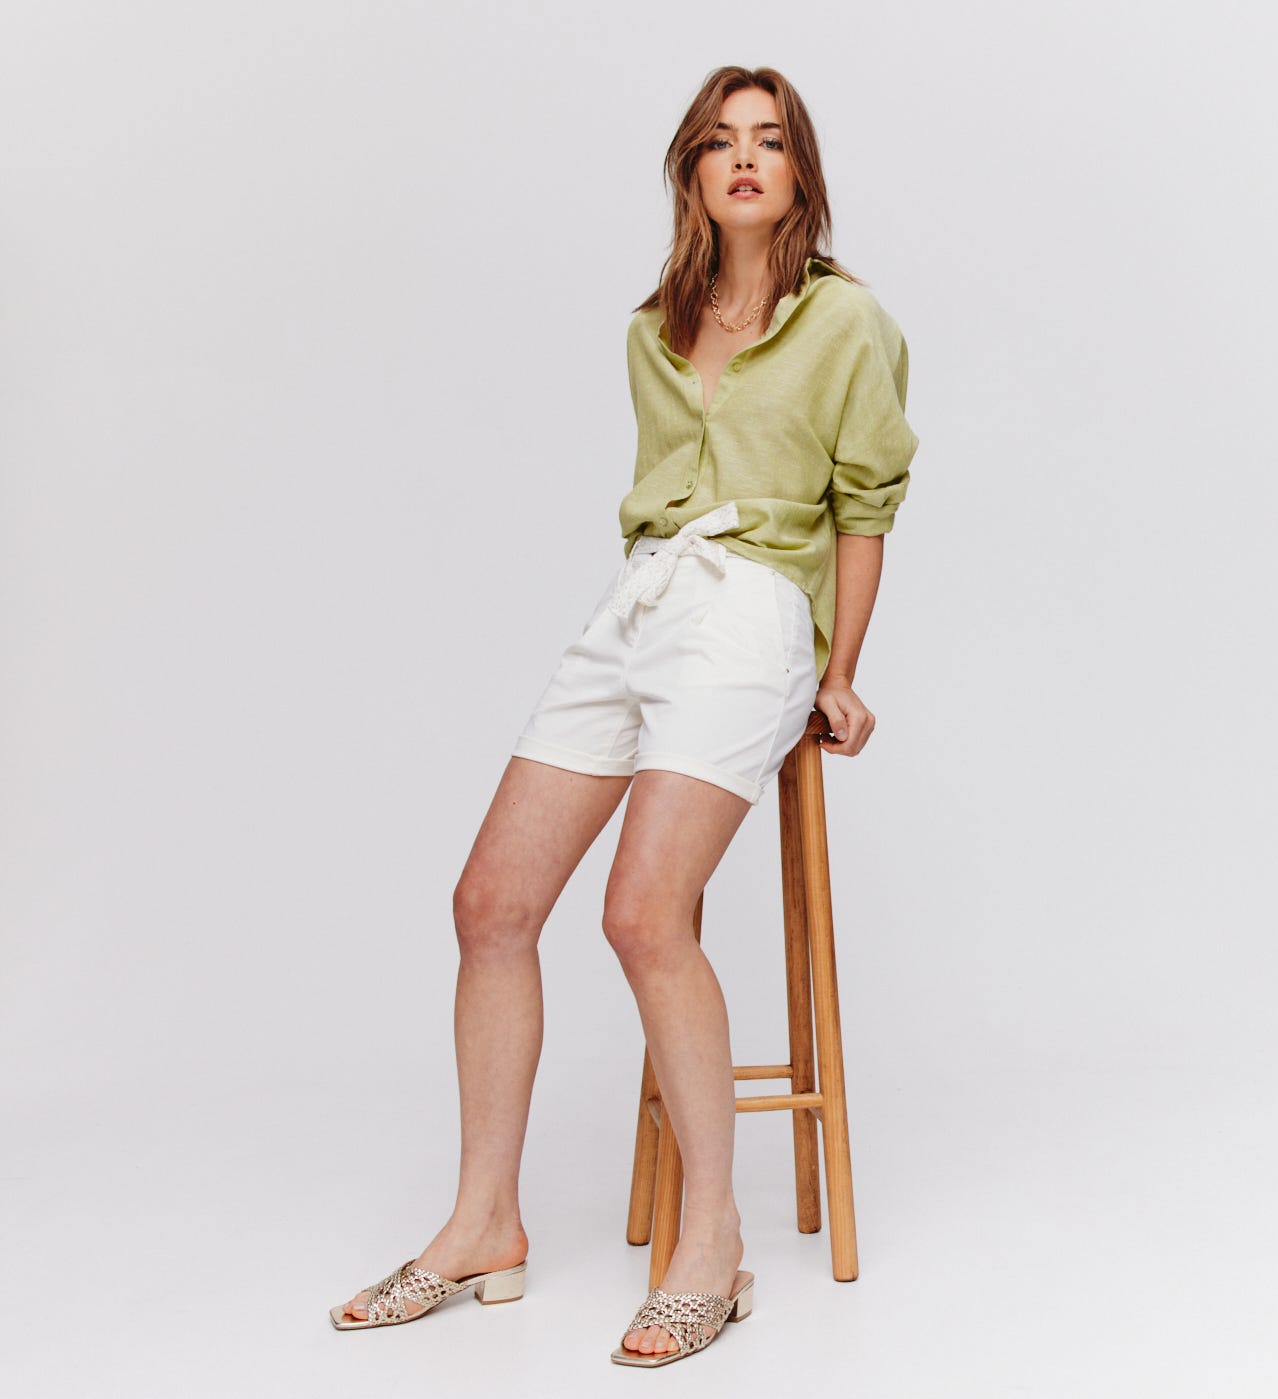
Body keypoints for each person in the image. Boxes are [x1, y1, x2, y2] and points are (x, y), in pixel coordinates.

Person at [329, 64, 919, 1369]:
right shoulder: (657, 327)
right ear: (693, 171)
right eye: (722, 142)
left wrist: (840, 668)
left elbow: (864, 506)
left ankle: (713, 1243)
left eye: (771, 140)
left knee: (644, 911)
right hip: (644, 599)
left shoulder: (847, 323)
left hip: (756, 611)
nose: (746, 159)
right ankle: (484, 1222)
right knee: (490, 903)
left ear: (801, 172)